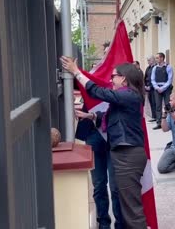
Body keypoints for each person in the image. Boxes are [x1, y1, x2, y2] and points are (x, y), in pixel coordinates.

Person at [61, 56, 148, 229]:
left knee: (131, 210)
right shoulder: (127, 97)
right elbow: (112, 118)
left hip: (128, 156)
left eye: (113, 76)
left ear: (123, 78)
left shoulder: (128, 95)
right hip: (125, 154)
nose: (110, 79)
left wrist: (76, 72)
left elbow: (98, 92)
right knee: (128, 206)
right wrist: (90, 116)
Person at [74, 107, 124, 229]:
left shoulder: (115, 89)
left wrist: (91, 115)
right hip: (93, 135)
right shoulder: (87, 89)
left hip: (113, 137)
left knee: (115, 187)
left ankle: (120, 224)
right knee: (99, 185)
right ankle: (103, 223)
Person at [151, 52, 174, 130]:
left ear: (162, 58)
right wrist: (157, 87)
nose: (156, 59)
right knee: (158, 105)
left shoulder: (168, 67)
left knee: (168, 104)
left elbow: (170, 79)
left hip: (166, 88)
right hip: (157, 88)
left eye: (157, 58)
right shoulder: (154, 68)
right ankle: (159, 122)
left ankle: (168, 122)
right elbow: (152, 79)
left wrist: (163, 88)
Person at [144, 56, 157, 122]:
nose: (148, 61)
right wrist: (145, 85)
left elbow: (155, 79)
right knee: (151, 102)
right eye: (147, 60)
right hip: (148, 87)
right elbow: (145, 77)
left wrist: (150, 86)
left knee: (155, 102)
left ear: (153, 60)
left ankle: (157, 117)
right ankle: (153, 116)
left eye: (149, 60)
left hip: (154, 88)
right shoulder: (148, 68)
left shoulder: (156, 67)